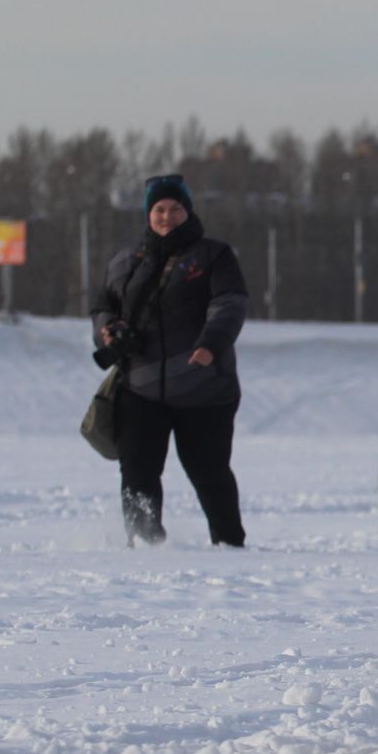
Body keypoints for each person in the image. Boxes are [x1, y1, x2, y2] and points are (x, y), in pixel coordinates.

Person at [91, 173, 249, 547]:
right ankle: (144, 542)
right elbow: (102, 308)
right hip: (140, 386)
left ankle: (229, 544)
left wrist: (212, 342)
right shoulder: (126, 262)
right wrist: (109, 331)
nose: (166, 216)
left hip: (204, 385)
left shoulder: (214, 256)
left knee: (208, 471)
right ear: (148, 214)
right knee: (138, 471)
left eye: (175, 208)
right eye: (159, 209)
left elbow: (229, 303)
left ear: (188, 211)